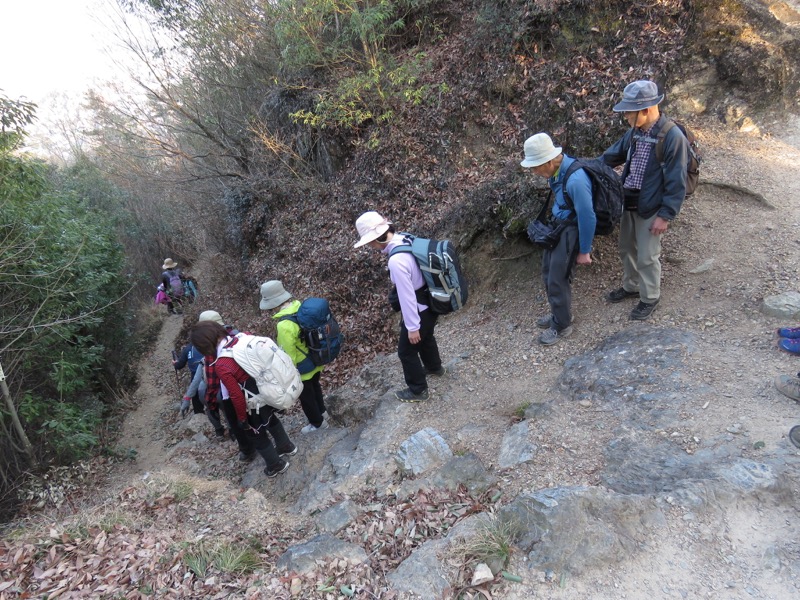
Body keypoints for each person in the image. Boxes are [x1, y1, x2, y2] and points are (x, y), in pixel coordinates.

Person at [601, 80, 690, 320]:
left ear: (646, 109)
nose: (626, 117)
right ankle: (631, 286)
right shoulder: (634, 133)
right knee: (626, 248)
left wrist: (666, 215)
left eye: (629, 111)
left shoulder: (672, 137)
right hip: (629, 200)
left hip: (652, 206)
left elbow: (676, 181)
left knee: (647, 256)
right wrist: (585, 168)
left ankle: (650, 297)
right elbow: (611, 156)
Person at [353, 211, 445, 402]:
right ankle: (434, 367)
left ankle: (418, 390)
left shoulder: (396, 260)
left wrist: (412, 327)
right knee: (426, 336)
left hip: (419, 306)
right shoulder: (405, 238)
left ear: (374, 239)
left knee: (406, 351)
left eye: (369, 242)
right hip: (433, 298)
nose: (369, 246)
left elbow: (407, 296)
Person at [190, 320, 296, 478]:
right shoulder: (241, 338)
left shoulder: (222, 363)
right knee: (271, 419)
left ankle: (276, 465)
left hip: (251, 400)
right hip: (266, 389)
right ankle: (286, 446)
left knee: (256, 433)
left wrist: (242, 419)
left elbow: (236, 396)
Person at [520, 133, 595, 345]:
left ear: (550, 160)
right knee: (548, 271)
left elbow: (587, 216)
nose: (534, 172)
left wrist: (584, 250)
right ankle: (560, 314)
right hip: (558, 226)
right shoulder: (556, 171)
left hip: (570, 230)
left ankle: (562, 325)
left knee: (557, 278)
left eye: (535, 166)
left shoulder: (576, 180)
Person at [260, 280, 330, 434]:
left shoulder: (283, 325)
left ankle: (317, 423)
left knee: (306, 397)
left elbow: (288, 354)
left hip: (302, 366)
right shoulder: (299, 307)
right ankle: (323, 412)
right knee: (315, 386)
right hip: (315, 357)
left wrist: (288, 373)